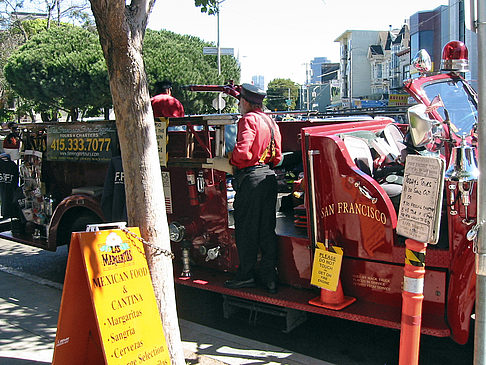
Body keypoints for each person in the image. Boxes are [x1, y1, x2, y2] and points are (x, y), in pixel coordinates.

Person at [224, 83, 283, 294]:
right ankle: (269, 278)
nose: (240, 105)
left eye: (240, 101)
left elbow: (242, 153)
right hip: (268, 177)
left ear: (246, 102)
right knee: (266, 229)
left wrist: (230, 158)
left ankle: (246, 275)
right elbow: (278, 157)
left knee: (246, 230)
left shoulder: (248, 120)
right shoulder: (270, 120)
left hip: (252, 179)